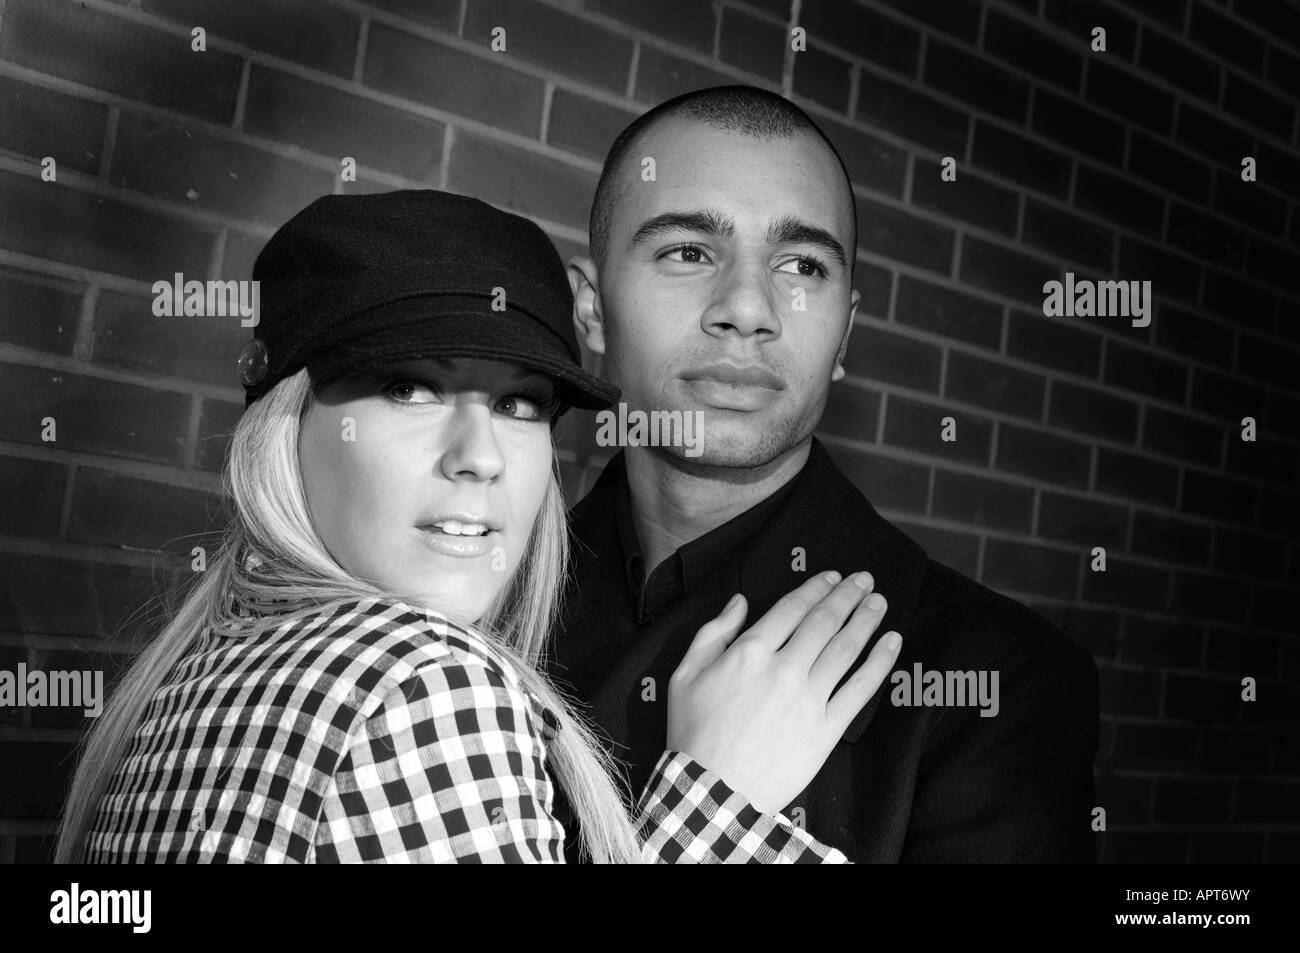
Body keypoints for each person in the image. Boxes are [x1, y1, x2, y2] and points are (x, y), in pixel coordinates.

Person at [54, 189, 904, 864]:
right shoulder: (421, 684)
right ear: (289, 424)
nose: (481, 456)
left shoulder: (183, 680)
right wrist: (721, 804)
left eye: (518, 403)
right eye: (410, 388)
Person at [552, 86, 1101, 862]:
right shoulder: (484, 596)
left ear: (843, 332)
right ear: (593, 310)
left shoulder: (992, 685)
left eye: (802, 264)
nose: (747, 307)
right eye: (688, 251)